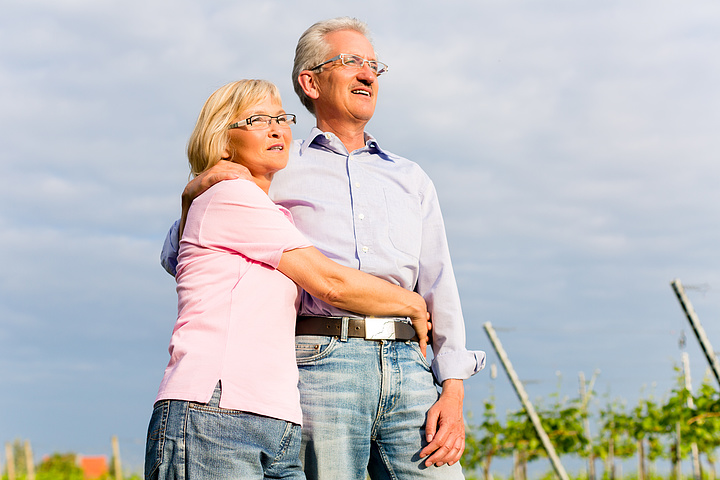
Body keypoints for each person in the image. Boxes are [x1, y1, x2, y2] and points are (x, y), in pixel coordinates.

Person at [161, 17, 486, 479]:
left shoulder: (411, 178)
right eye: (350, 61)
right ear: (310, 81)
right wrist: (193, 196)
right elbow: (183, 259)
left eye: (374, 64)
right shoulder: (272, 164)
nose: (368, 73)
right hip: (320, 362)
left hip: (409, 364)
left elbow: (440, 284)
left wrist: (451, 389)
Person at [145, 79, 432, 480]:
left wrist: (189, 198)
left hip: (276, 419)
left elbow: (183, 259)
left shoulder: (270, 214)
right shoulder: (230, 197)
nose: (278, 128)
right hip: (213, 412)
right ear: (222, 140)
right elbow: (330, 282)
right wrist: (413, 304)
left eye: (282, 118)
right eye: (258, 119)